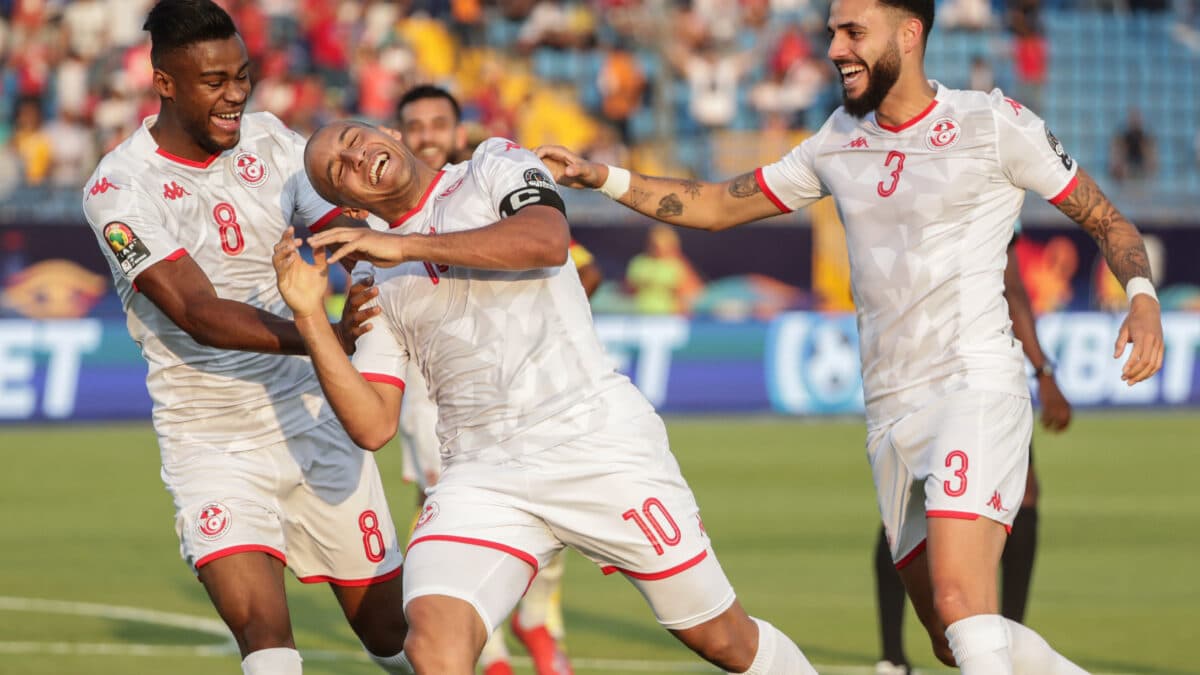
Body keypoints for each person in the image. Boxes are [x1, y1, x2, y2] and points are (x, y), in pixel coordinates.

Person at [536, 0, 1165, 670]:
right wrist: (603, 177)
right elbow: (719, 205)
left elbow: (1104, 217)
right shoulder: (838, 137)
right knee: (952, 635)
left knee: (961, 596)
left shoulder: (992, 123)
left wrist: (1143, 298)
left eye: (852, 32)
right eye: (833, 31)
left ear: (909, 34)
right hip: (890, 410)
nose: (835, 47)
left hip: (974, 385)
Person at [271, 119, 819, 675]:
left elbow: (546, 242)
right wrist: (310, 316)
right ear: (346, 202)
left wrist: (404, 245)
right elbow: (373, 426)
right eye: (338, 170)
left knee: (723, 639)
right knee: (433, 645)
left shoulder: (493, 165)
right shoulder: (371, 277)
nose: (356, 157)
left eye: (353, 139)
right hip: (480, 477)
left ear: (382, 129)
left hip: (595, 441)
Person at [80, 2, 411, 673]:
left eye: (242, 75)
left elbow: (348, 239)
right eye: (214, 81)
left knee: (394, 637)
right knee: (266, 634)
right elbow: (197, 311)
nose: (235, 93)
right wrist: (320, 333)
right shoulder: (119, 187)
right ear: (165, 82)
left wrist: (380, 287)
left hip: (316, 421)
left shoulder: (274, 142)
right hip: (212, 438)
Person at [394, 83, 600, 675]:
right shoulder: (385, 212)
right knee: (445, 506)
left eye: (439, 123)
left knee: (543, 505)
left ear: (459, 134)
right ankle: (496, 655)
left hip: (514, 388)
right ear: (400, 136)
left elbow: (580, 267)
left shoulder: (487, 189)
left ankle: (536, 621)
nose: (427, 135)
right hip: (427, 394)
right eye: (415, 125)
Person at [872, 228, 1074, 675]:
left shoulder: (899, 191)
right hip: (971, 374)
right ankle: (1001, 641)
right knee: (1020, 494)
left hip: (902, 371)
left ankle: (893, 655)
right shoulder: (985, 184)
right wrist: (1042, 370)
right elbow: (1013, 287)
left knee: (908, 505)